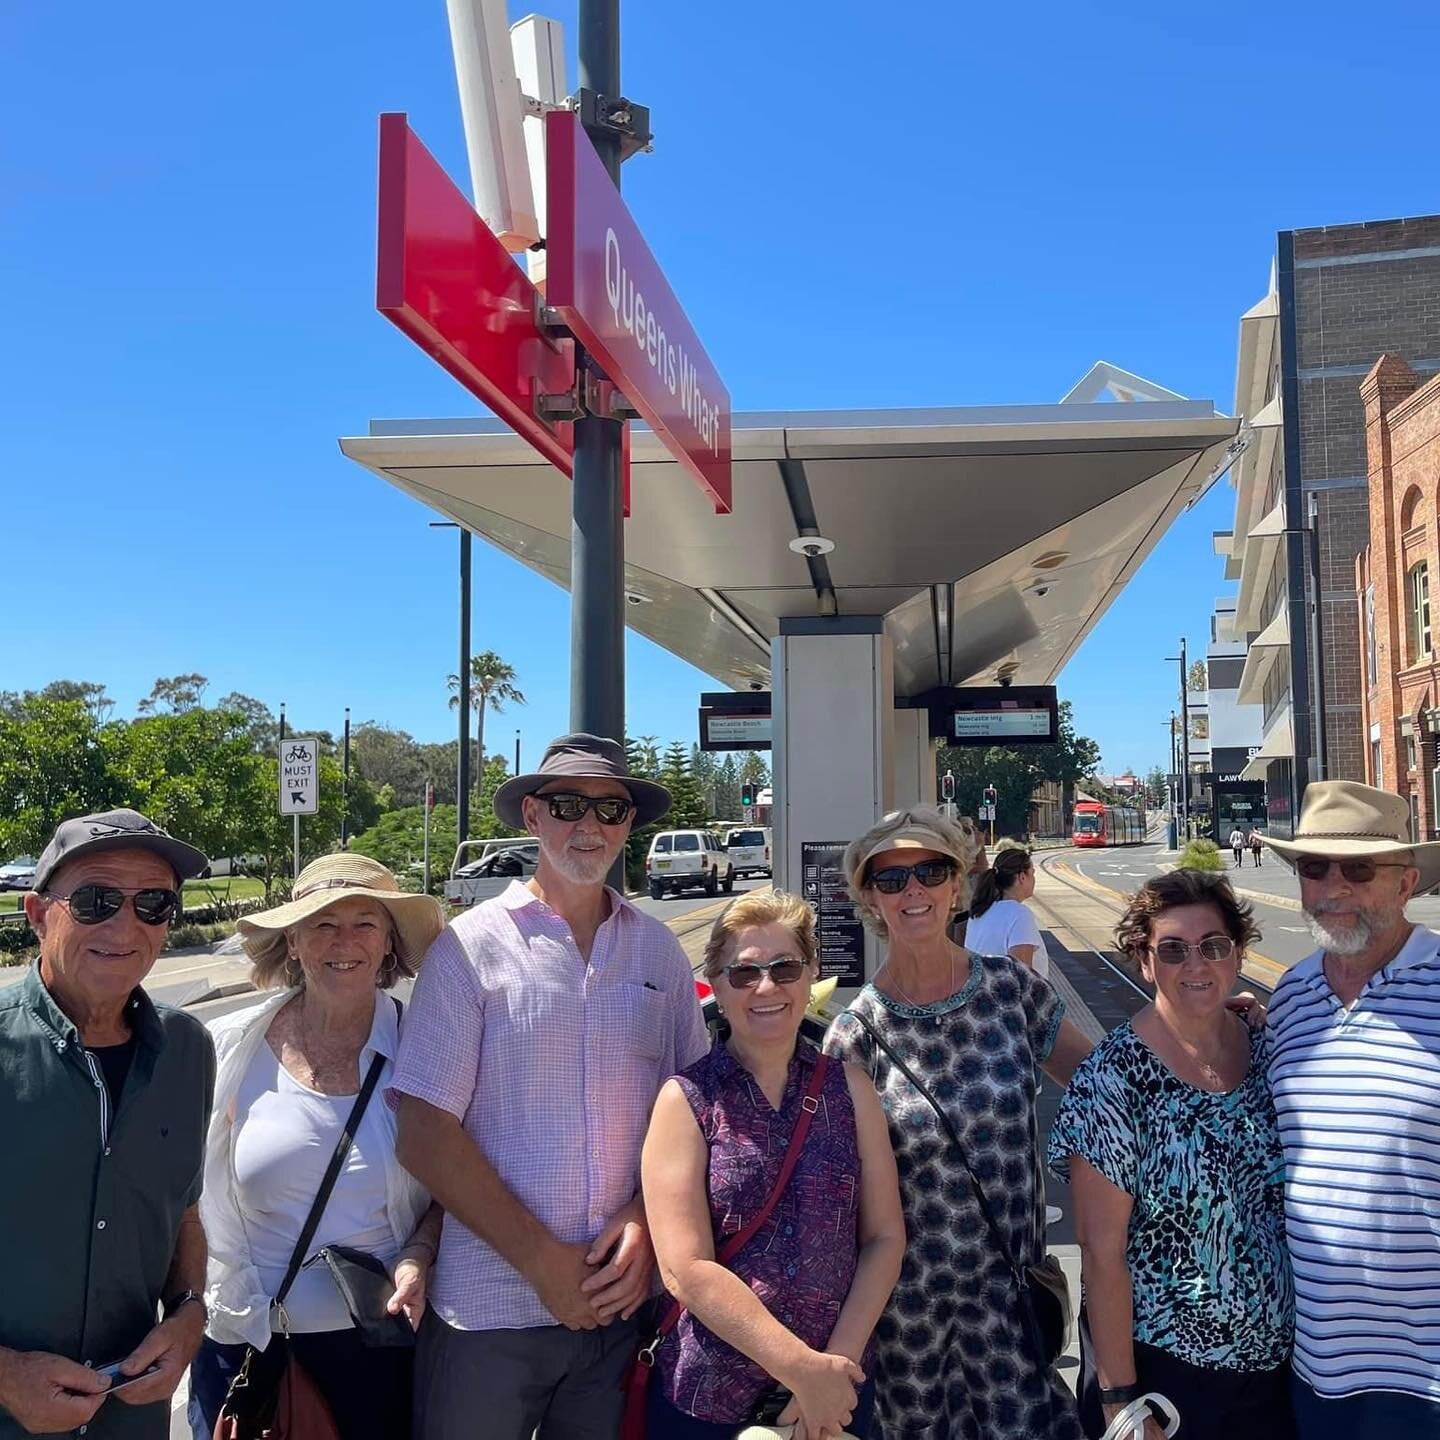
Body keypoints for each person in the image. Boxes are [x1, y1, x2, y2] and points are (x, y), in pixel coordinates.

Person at [391, 733, 710, 1440]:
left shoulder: (658, 948)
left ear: (630, 825)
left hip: (620, 1308)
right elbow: (423, 1132)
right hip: (490, 1311)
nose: (590, 825)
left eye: (612, 809)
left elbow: (694, 1114)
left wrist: (643, 1220)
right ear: (533, 816)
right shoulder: (469, 948)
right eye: (569, 805)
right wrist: (542, 1262)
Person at [824, 806, 1094, 1439]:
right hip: (908, 1329)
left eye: (930, 870)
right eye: (890, 879)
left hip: (1012, 1310)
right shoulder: (854, 1037)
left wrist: (1209, 1031)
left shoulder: (1012, 991)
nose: (912, 889)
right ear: (869, 898)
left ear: (956, 886)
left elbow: (1102, 1082)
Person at [190, 853, 445, 1440]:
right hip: (246, 1347)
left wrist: (422, 1252)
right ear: (294, 944)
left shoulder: (425, 1046)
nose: (344, 940)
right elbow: (181, 1188)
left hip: (379, 1352)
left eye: (365, 923)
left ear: (388, 945)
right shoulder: (230, 1048)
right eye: (323, 924)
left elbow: (459, 1181)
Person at [640, 891, 906, 1439]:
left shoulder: (851, 1088)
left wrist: (836, 1369)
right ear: (715, 982)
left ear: (810, 974)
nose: (766, 988)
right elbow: (685, 1267)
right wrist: (801, 1369)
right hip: (712, 1396)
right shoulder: (687, 1099)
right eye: (743, 974)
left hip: (838, 1393)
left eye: (784, 968)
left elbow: (884, 1236)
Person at [1049, 870, 1294, 1439]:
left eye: (1213, 946)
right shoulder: (1112, 1080)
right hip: (1168, 1374)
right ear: (1144, 960)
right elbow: (1100, 1251)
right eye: (1173, 950)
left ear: (1237, 953)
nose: (1196, 964)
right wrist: (1120, 1400)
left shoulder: (1265, 1045)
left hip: (1279, 1368)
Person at [1, 809, 214, 1438]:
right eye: (96, 901)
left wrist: (189, 1313)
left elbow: (183, 1212)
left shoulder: (188, 1049)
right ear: (39, 915)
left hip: (132, 1418)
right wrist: (6, 1376)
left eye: (153, 903)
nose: (127, 925)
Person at [1262, 781, 1440, 1437]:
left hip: (1428, 1376)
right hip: (1319, 1370)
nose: (1332, 887)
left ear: (1406, 882)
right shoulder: (1290, 995)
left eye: (1359, 868)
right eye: (1314, 868)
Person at [963, 844, 1048, 977]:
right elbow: (1022, 976)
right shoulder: (1019, 914)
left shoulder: (979, 911)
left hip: (983, 994)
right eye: (1032, 873)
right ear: (1022, 877)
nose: (1034, 879)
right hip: (1005, 996)